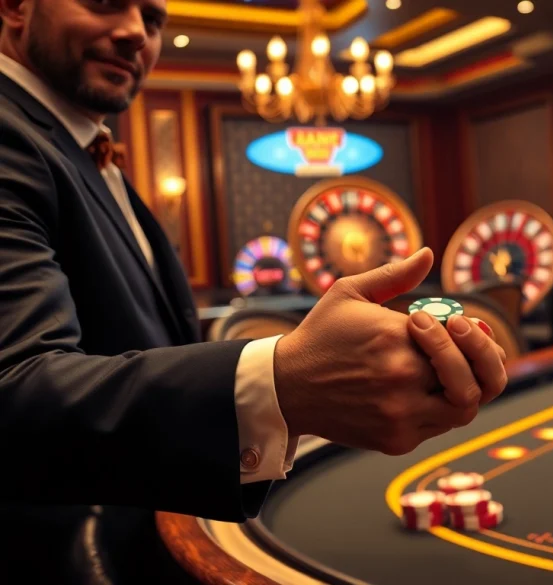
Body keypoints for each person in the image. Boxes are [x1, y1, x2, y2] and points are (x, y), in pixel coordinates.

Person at [0, 0, 508, 580]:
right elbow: (12, 389)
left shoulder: (83, 148)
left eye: (154, 17)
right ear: (15, 7)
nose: (135, 32)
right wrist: (280, 384)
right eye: (105, 2)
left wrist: (314, 395)